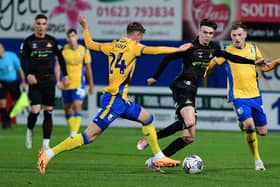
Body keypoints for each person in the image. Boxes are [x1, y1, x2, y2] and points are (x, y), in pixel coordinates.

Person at [37, 14, 190, 174]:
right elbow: (156, 50)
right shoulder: (134, 47)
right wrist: (178, 49)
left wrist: (85, 27)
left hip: (121, 102)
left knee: (147, 118)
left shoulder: (113, 45)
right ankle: (47, 154)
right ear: (137, 35)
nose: (140, 41)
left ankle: (158, 156)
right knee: (88, 137)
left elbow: (89, 43)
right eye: (140, 37)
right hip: (113, 101)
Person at [136, 19, 260, 168]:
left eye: (211, 33)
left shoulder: (213, 49)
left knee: (189, 137)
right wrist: (155, 76)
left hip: (192, 91)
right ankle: (149, 138)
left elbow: (232, 57)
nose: (208, 36)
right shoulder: (190, 47)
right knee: (189, 122)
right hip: (181, 87)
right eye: (205, 32)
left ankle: (156, 161)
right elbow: (168, 57)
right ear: (199, 32)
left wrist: (253, 62)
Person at [205, 22, 280, 171]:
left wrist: (277, 61)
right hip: (238, 96)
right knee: (250, 125)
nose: (237, 38)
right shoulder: (227, 51)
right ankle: (257, 160)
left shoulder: (253, 49)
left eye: (240, 35)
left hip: (255, 96)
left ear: (245, 35)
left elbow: (264, 67)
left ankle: (241, 122)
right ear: (231, 36)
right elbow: (212, 64)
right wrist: (203, 70)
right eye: (234, 35)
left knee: (263, 132)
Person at [20, 14, 70, 149]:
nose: (41, 26)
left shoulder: (52, 41)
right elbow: (22, 61)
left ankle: (45, 144)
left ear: (46, 26)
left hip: (49, 81)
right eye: (38, 23)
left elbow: (61, 59)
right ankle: (30, 130)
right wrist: (28, 74)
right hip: (35, 82)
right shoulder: (28, 42)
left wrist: (65, 75)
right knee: (35, 110)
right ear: (34, 25)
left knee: (48, 111)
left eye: (43, 24)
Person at [55, 28, 94, 137]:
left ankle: (74, 133)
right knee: (67, 108)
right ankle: (72, 129)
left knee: (77, 105)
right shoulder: (63, 51)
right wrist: (58, 81)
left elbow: (88, 68)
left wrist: (91, 84)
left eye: (73, 35)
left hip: (79, 83)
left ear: (77, 36)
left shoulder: (84, 50)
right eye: (69, 36)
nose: (71, 38)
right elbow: (57, 66)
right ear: (67, 38)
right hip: (66, 83)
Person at [0, 43, 26, 129]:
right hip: (2, 82)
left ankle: (7, 118)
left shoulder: (12, 56)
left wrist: (23, 81)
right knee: (2, 103)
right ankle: (5, 122)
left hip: (13, 82)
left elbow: (19, 69)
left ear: (3, 49)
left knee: (17, 101)